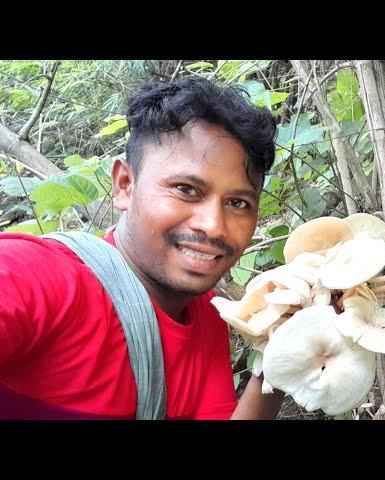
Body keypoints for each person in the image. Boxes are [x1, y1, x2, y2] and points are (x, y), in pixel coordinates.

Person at [0, 78, 284, 420]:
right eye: (186, 189)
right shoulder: (39, 276)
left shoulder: (206, 315)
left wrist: (285, 356)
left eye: (238, 202)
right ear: (125, 185)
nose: (213, 225)